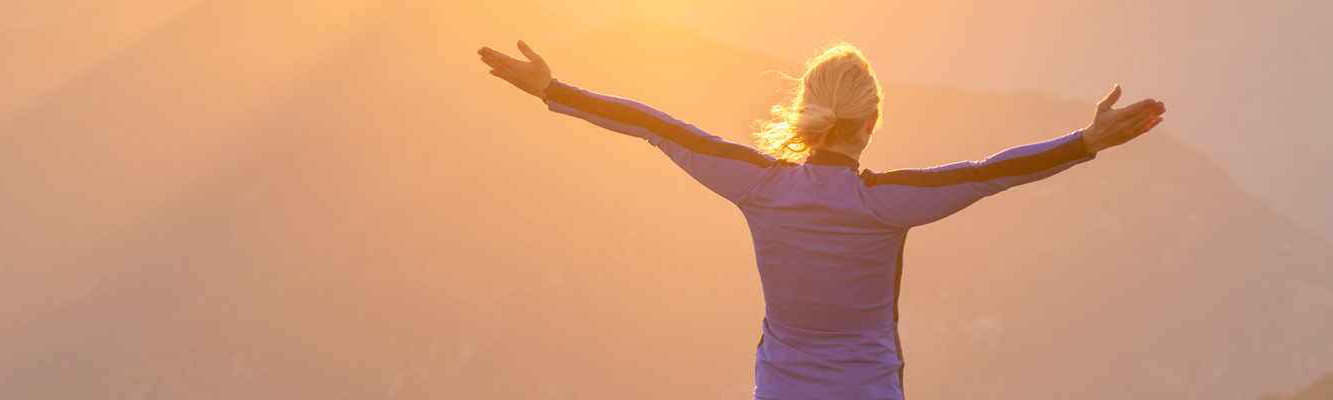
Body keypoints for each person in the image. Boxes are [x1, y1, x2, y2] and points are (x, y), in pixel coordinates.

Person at [478, 40, 1164, 400]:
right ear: (872, 123)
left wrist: (553, 90)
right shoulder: (885, 202)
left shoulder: (758, 185)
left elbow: (659, 127)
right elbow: (990, 174)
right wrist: (1084, 143)